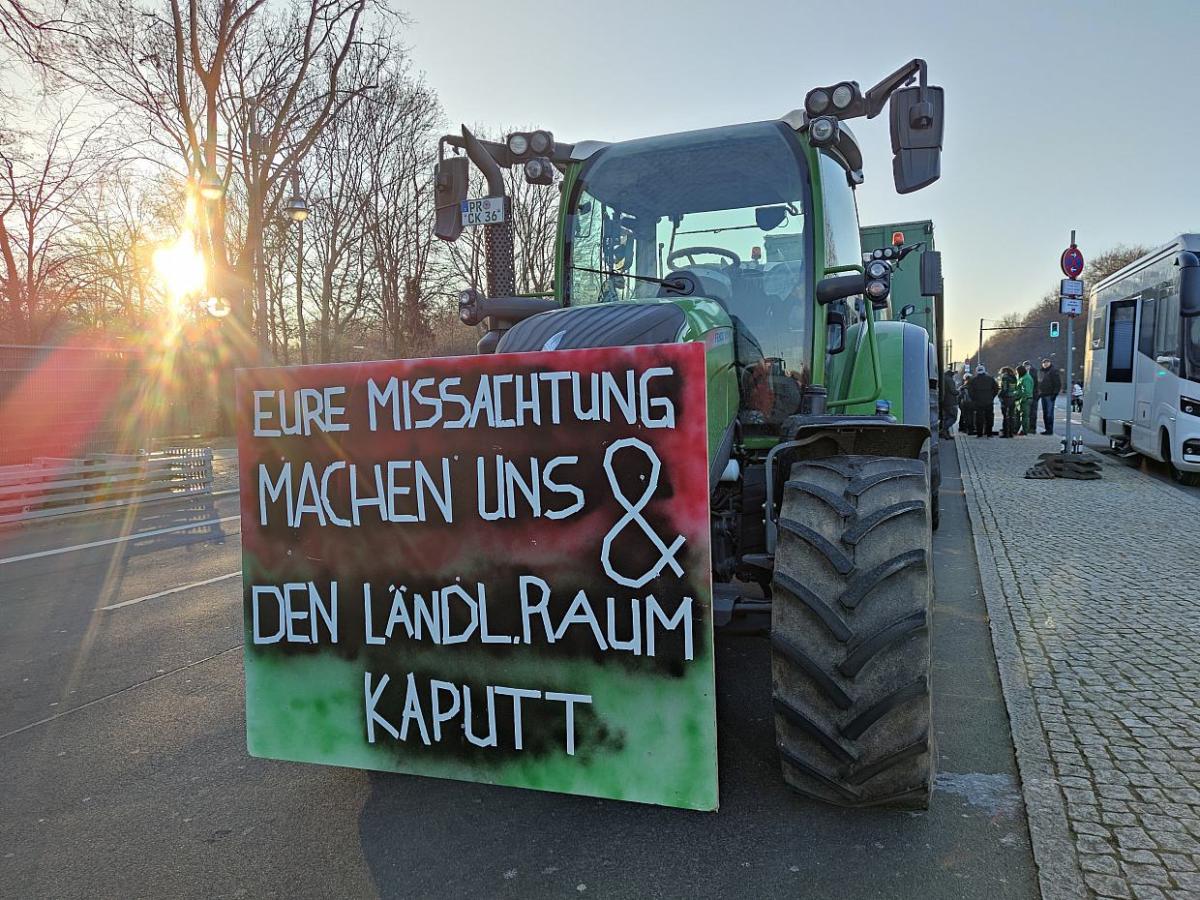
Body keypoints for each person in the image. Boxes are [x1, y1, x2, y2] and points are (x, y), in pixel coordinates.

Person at [967, 364, 999, 437]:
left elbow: (970, 392)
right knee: (989, 417)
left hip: (978, 402)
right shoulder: (990, 379)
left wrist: (974, 399)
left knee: (979, 418)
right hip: (989, 402)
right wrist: (992, 397)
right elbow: (996, 389)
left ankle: (979, 433)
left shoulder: (973, 380)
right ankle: (989, 433)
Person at [1038, 358, 1062, 434]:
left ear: (1050, 363)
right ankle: (1047, 429)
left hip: (1050, 395)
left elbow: (1057, 383)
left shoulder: (1053, 371)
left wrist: (1055, 394)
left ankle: (1050, 430)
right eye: (1044, 363)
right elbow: (1039, 383)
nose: (1045, 364)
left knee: (1049, 413)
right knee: (1045, 413)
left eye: (1047, 362)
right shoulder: (1041, 372)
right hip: (1043, 395)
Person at [998, 366, 1018, 437]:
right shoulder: (1014, 377)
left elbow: (1004, 388)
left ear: (1004, 372)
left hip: (1006, 398)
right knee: (1011, 415)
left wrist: (1000, 394)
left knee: (1005, 416)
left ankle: (1006, 433)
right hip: (1012, 397)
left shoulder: (1005, 377)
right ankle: (1011, 433)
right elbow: (1015, 388)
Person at [940, 366, 959, 439]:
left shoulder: (943, 378)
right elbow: (953, 391)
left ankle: (946, 434)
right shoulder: (950, 380)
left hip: (944, 401)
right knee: (953, 417)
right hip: (951, 401)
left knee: (946, 417)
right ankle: (944, 430)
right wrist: (958, 392)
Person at [1015, 364, 1033, 436]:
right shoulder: (1022, 377)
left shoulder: (1026, 378)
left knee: (1024, 416)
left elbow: (1027, 391)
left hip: (1025, 399)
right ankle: (1016, 429)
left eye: (1017, 371)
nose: (1016, 373)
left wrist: (1023, 399)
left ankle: (1024, 430)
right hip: (1020, 399)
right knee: (1018, 415)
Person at [1023, 359, 1038, 434]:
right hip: (1026, 396)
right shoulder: (1023, 373)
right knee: (1026, 413)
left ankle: (1032, 428)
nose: (1026, 367)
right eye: (1025, 366)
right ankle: (1027, 428)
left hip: (1033, 395)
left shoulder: (1034, 373)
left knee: (1033, 413)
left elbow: (1036, 385)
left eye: (1028, 366)